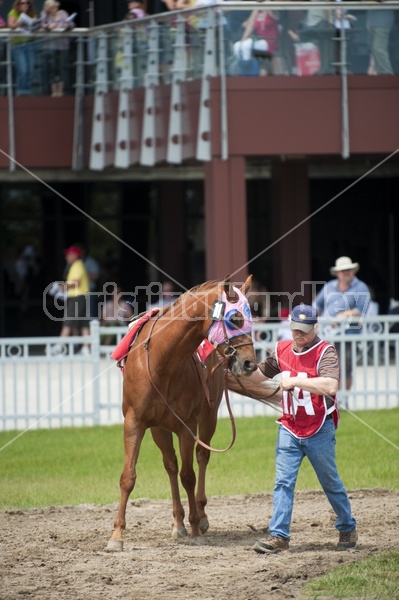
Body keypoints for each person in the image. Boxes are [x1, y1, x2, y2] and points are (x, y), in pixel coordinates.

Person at [250, 303, 358, 554]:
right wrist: (228, 373)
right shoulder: (281, 350)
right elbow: (256, 376)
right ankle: (279, 536)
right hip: (289, 427)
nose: (298, 335)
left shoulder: (326, 352)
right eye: (295, 330)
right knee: (283, 482)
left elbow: (330, 385)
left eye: (304, 331)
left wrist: (296, 379)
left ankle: (347, 526)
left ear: (315, 328)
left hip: (320, 428)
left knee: (329, 481)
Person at [313, 256, 370, 392]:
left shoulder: (361, 287)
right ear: (337, 273)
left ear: (353, 271)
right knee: (325, 368)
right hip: (326, 335)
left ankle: (343, 400)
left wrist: (344, 315)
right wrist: (314, 320)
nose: (346, 272)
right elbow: (317, 304)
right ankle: (330, 399)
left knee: (344, 368)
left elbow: (362, 309)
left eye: (348, 270)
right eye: (343, 270)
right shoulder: (330, 286)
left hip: (348, 335)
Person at [50, 246, 91, 356]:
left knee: (68, 321)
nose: (66, 257)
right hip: (81, 296)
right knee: (83, 323)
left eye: (69, 254)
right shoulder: (77, 265)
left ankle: (60, 346)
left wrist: (63, 287)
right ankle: (85, 348)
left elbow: (76, 282)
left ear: (74, 255)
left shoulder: (77, 265)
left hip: (77, 296)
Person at [39, 0, 76, 97]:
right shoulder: (45, 15)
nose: (55, 9)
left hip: (63, 45)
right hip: (50, 45)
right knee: (53, 68)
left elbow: (71, 24)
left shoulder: (63, 13)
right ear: (48, 9)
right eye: (52, 8)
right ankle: (54, 91)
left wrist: (67, 25)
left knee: (62, 67)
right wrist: (49, 26)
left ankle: (61, 90)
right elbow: (41, 25)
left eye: (55, 7)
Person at [233, 8, 280, 76]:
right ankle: (243, 70)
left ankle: (248, 71)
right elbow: (249, 26)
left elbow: (274, 5)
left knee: (247, 46)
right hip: (259, 42)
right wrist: (242, 40)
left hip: (270, 42)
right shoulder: (256, 11)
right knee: (237, 46)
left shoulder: (271, 11)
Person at [7, 0, 38, 95]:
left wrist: (36, 25)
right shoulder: (13, 12)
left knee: (30, 70)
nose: (25, 5)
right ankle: (21, 92)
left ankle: (27, 92)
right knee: (23, 70)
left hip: (29, 43)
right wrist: (19, 23)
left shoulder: (32, 12)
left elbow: (35, 24)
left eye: (27, 3)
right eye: (23, 3)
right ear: (18, 4)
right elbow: (11, 25)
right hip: (18, 45)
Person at [366, 8, 394, 75]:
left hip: (382, 22)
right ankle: (375, 72)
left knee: (378, 48)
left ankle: (387, 74)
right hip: (371, 22)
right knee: (374, 50)